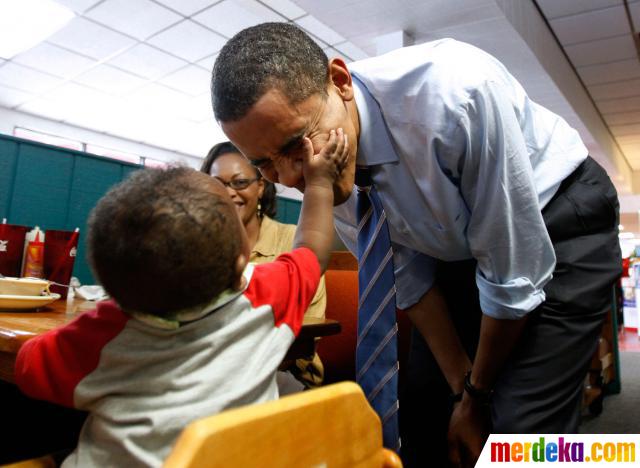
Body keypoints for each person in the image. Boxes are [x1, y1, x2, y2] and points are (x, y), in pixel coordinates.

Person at [210, 23, 622, 467]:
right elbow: (408, 278)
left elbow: (511, 275)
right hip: (455, 247)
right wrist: (461, 389)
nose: (292, 177)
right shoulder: (325, 162)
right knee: (424, 414)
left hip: (554, 218)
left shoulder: (454, 95)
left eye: (295, 145)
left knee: (518, 438)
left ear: (341, 82)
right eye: (263, 165)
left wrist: (477, 395)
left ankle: (599, 457)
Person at [14, 128, 347, 467]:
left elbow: (28, 367)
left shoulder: (104, 334)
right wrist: (319, 183)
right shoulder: (264, 296)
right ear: (239, 265)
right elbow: (311, 250)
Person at [201, 141, 327, 390]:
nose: (228, 193)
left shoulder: (293, 242)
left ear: (260, 186)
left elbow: (307, 334)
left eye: (239, 182)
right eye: (217, 184)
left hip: (281, 371)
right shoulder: (199, 248)